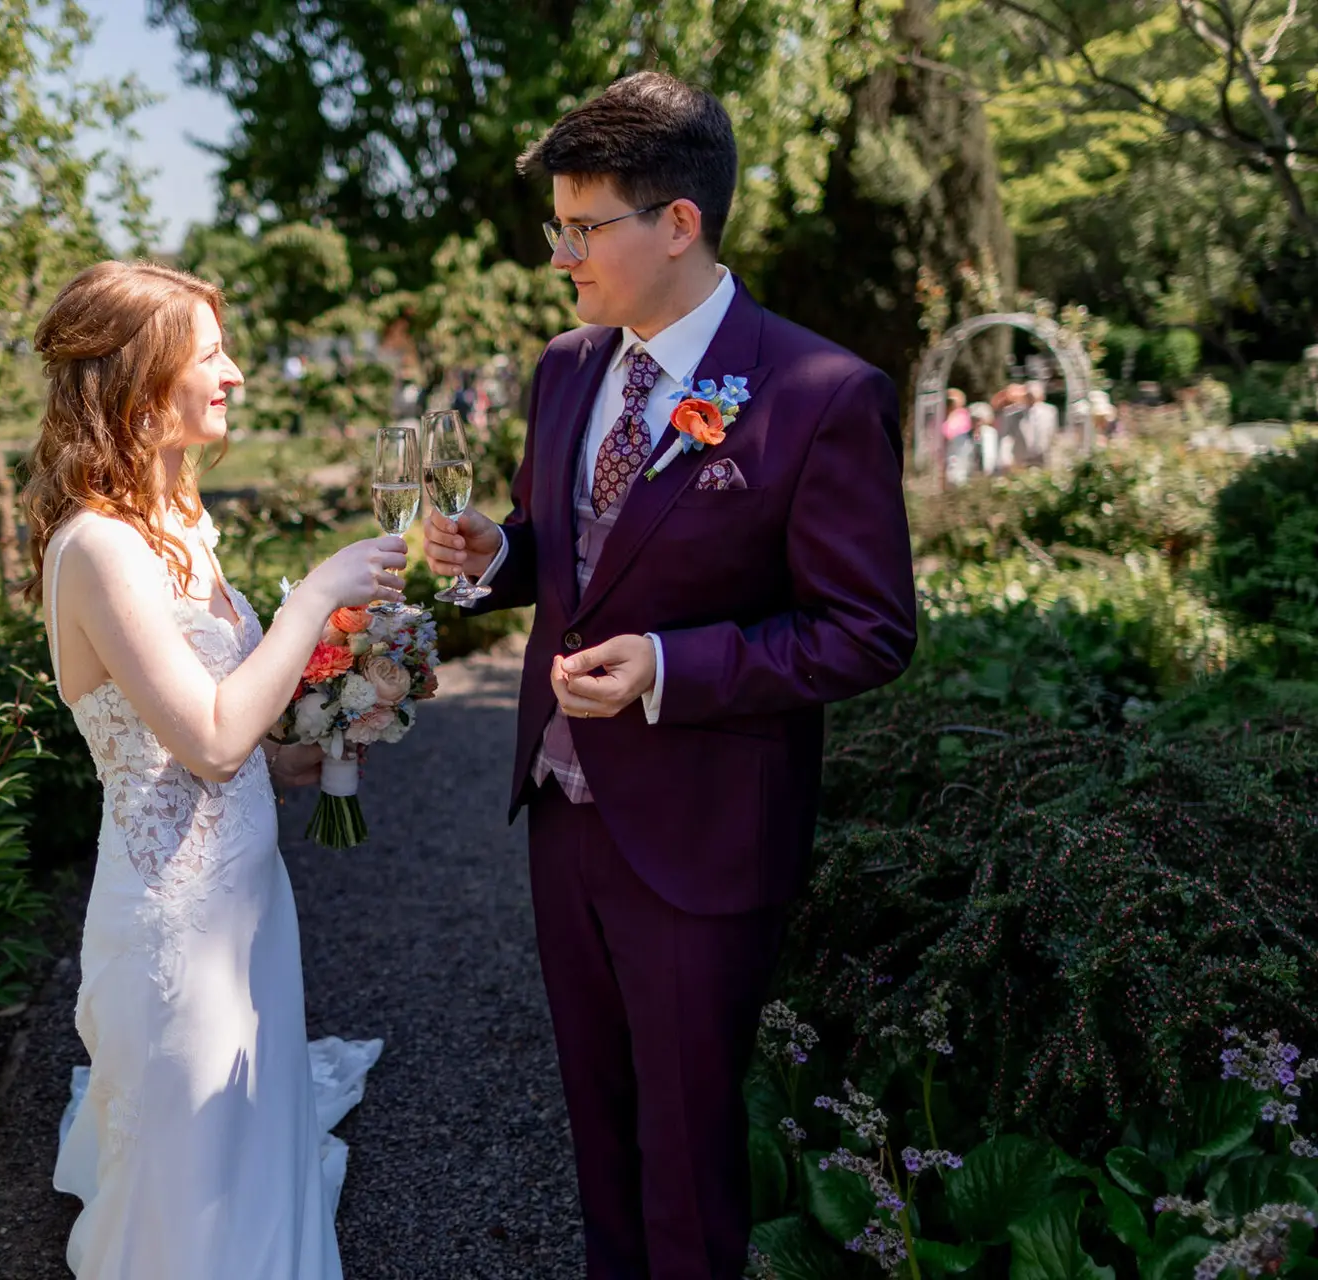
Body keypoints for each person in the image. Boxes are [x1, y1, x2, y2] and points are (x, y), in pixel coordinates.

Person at [425, 73, 916, 1279]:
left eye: (582, 228)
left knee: (688, 1157)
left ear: (680, 221)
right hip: (561, 815)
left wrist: (667, 667)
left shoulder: (820, 393)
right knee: (597, 1133)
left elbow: (868, 629)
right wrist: (498, 557)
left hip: (702, 835)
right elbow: (573, 557)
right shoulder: (565, 368)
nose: (559, 256)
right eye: (557, 227)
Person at [26, 260, 399, 1280]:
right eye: (211, 353)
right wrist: (315, 597)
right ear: (142, 382)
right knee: (193, 1194)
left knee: (250, 1151)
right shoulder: (99, 548)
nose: (234, 373)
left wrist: (316, 743)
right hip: (174, 928)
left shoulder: (180, 521)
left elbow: (236, 746)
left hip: (247, 904)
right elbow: (211, 740)